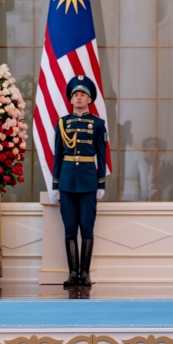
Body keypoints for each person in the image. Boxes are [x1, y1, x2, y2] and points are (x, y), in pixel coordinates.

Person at [50, 75, 107, 288]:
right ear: (71, 99)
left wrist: (101, 184)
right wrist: (56, 184)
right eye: (75, 95)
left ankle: (85, 274)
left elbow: (101, 156)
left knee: (87, 229)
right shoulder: (62, 123)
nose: (79, 97)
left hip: (88, 181)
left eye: (83, 94)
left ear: (89, 99)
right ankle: (73, 274)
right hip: (66, 181)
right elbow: (58, 155)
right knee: (70, 229)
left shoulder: (98, 124)